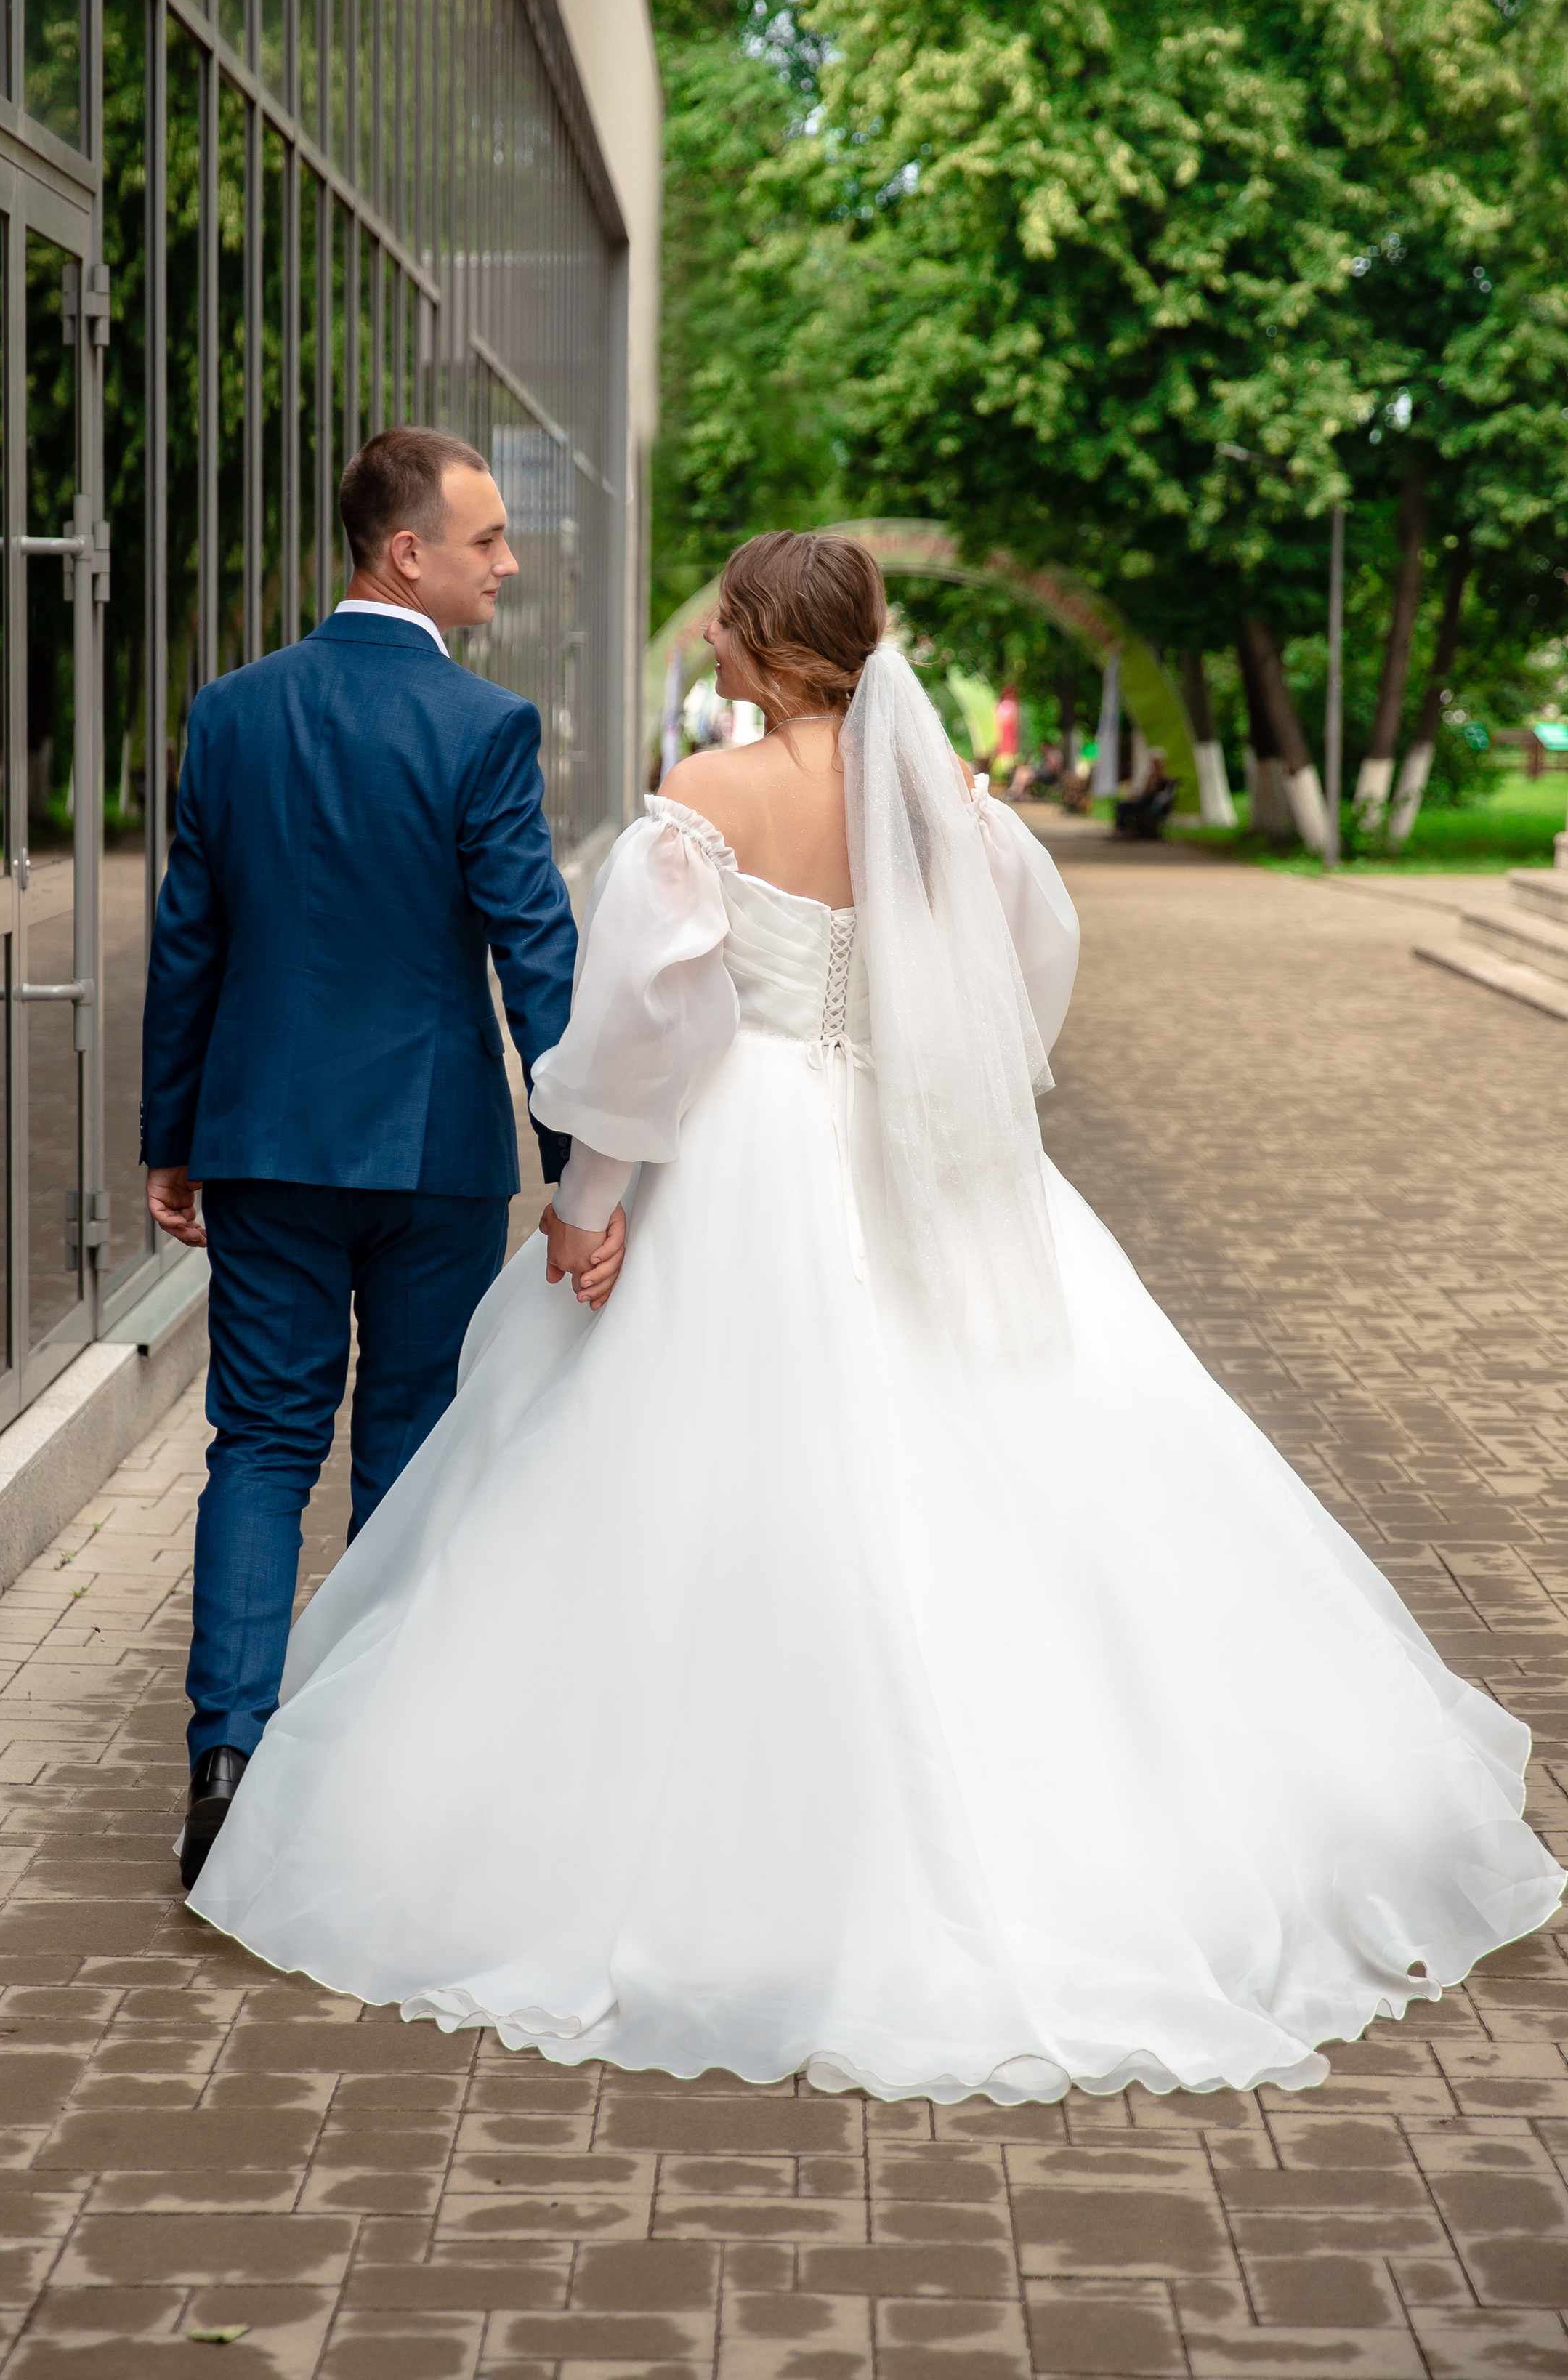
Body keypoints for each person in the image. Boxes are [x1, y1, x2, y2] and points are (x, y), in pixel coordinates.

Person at [188, 531, 1564, 2104]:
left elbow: (647, 1033)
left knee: (687, 1474)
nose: (706, 630)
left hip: (741, 1152)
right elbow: (1029, 967)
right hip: (923, 1150)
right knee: (1009, 1466)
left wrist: (586, 1204)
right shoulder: (951, 809)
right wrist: (944, 1094)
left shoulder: (703, 808)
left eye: (724, 614)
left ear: (771, 646)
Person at [142, 427, 624, 1889]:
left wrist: (170, 1139)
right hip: (430, 1156)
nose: (509, 562)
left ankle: (227, 1754)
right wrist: (577, 1171)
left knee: (262, 1441)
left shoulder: (229, 714)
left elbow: (188, 944)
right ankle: (367, 1770)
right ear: (403, 551)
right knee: (410, 1441)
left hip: (266, 1143)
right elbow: (534, 956)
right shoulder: (478, 730)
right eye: (486, 538)